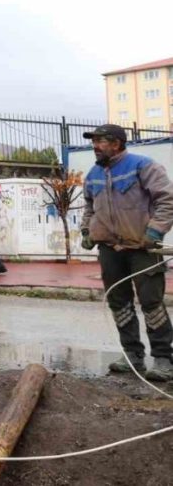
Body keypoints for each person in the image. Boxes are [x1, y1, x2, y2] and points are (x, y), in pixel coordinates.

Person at [80, 124, 173, 381]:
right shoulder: (93, 175)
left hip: (142, 247)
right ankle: (132, 355)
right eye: (94, 141)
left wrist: (155, 231)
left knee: (151, 303)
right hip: (110, 249)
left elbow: (167, 200)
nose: (95, 146)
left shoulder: (143, 166)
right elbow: (89, 206)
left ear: (117, 143)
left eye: (100, 141)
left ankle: (164, 358)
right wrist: (87, 230)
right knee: (118, 302)